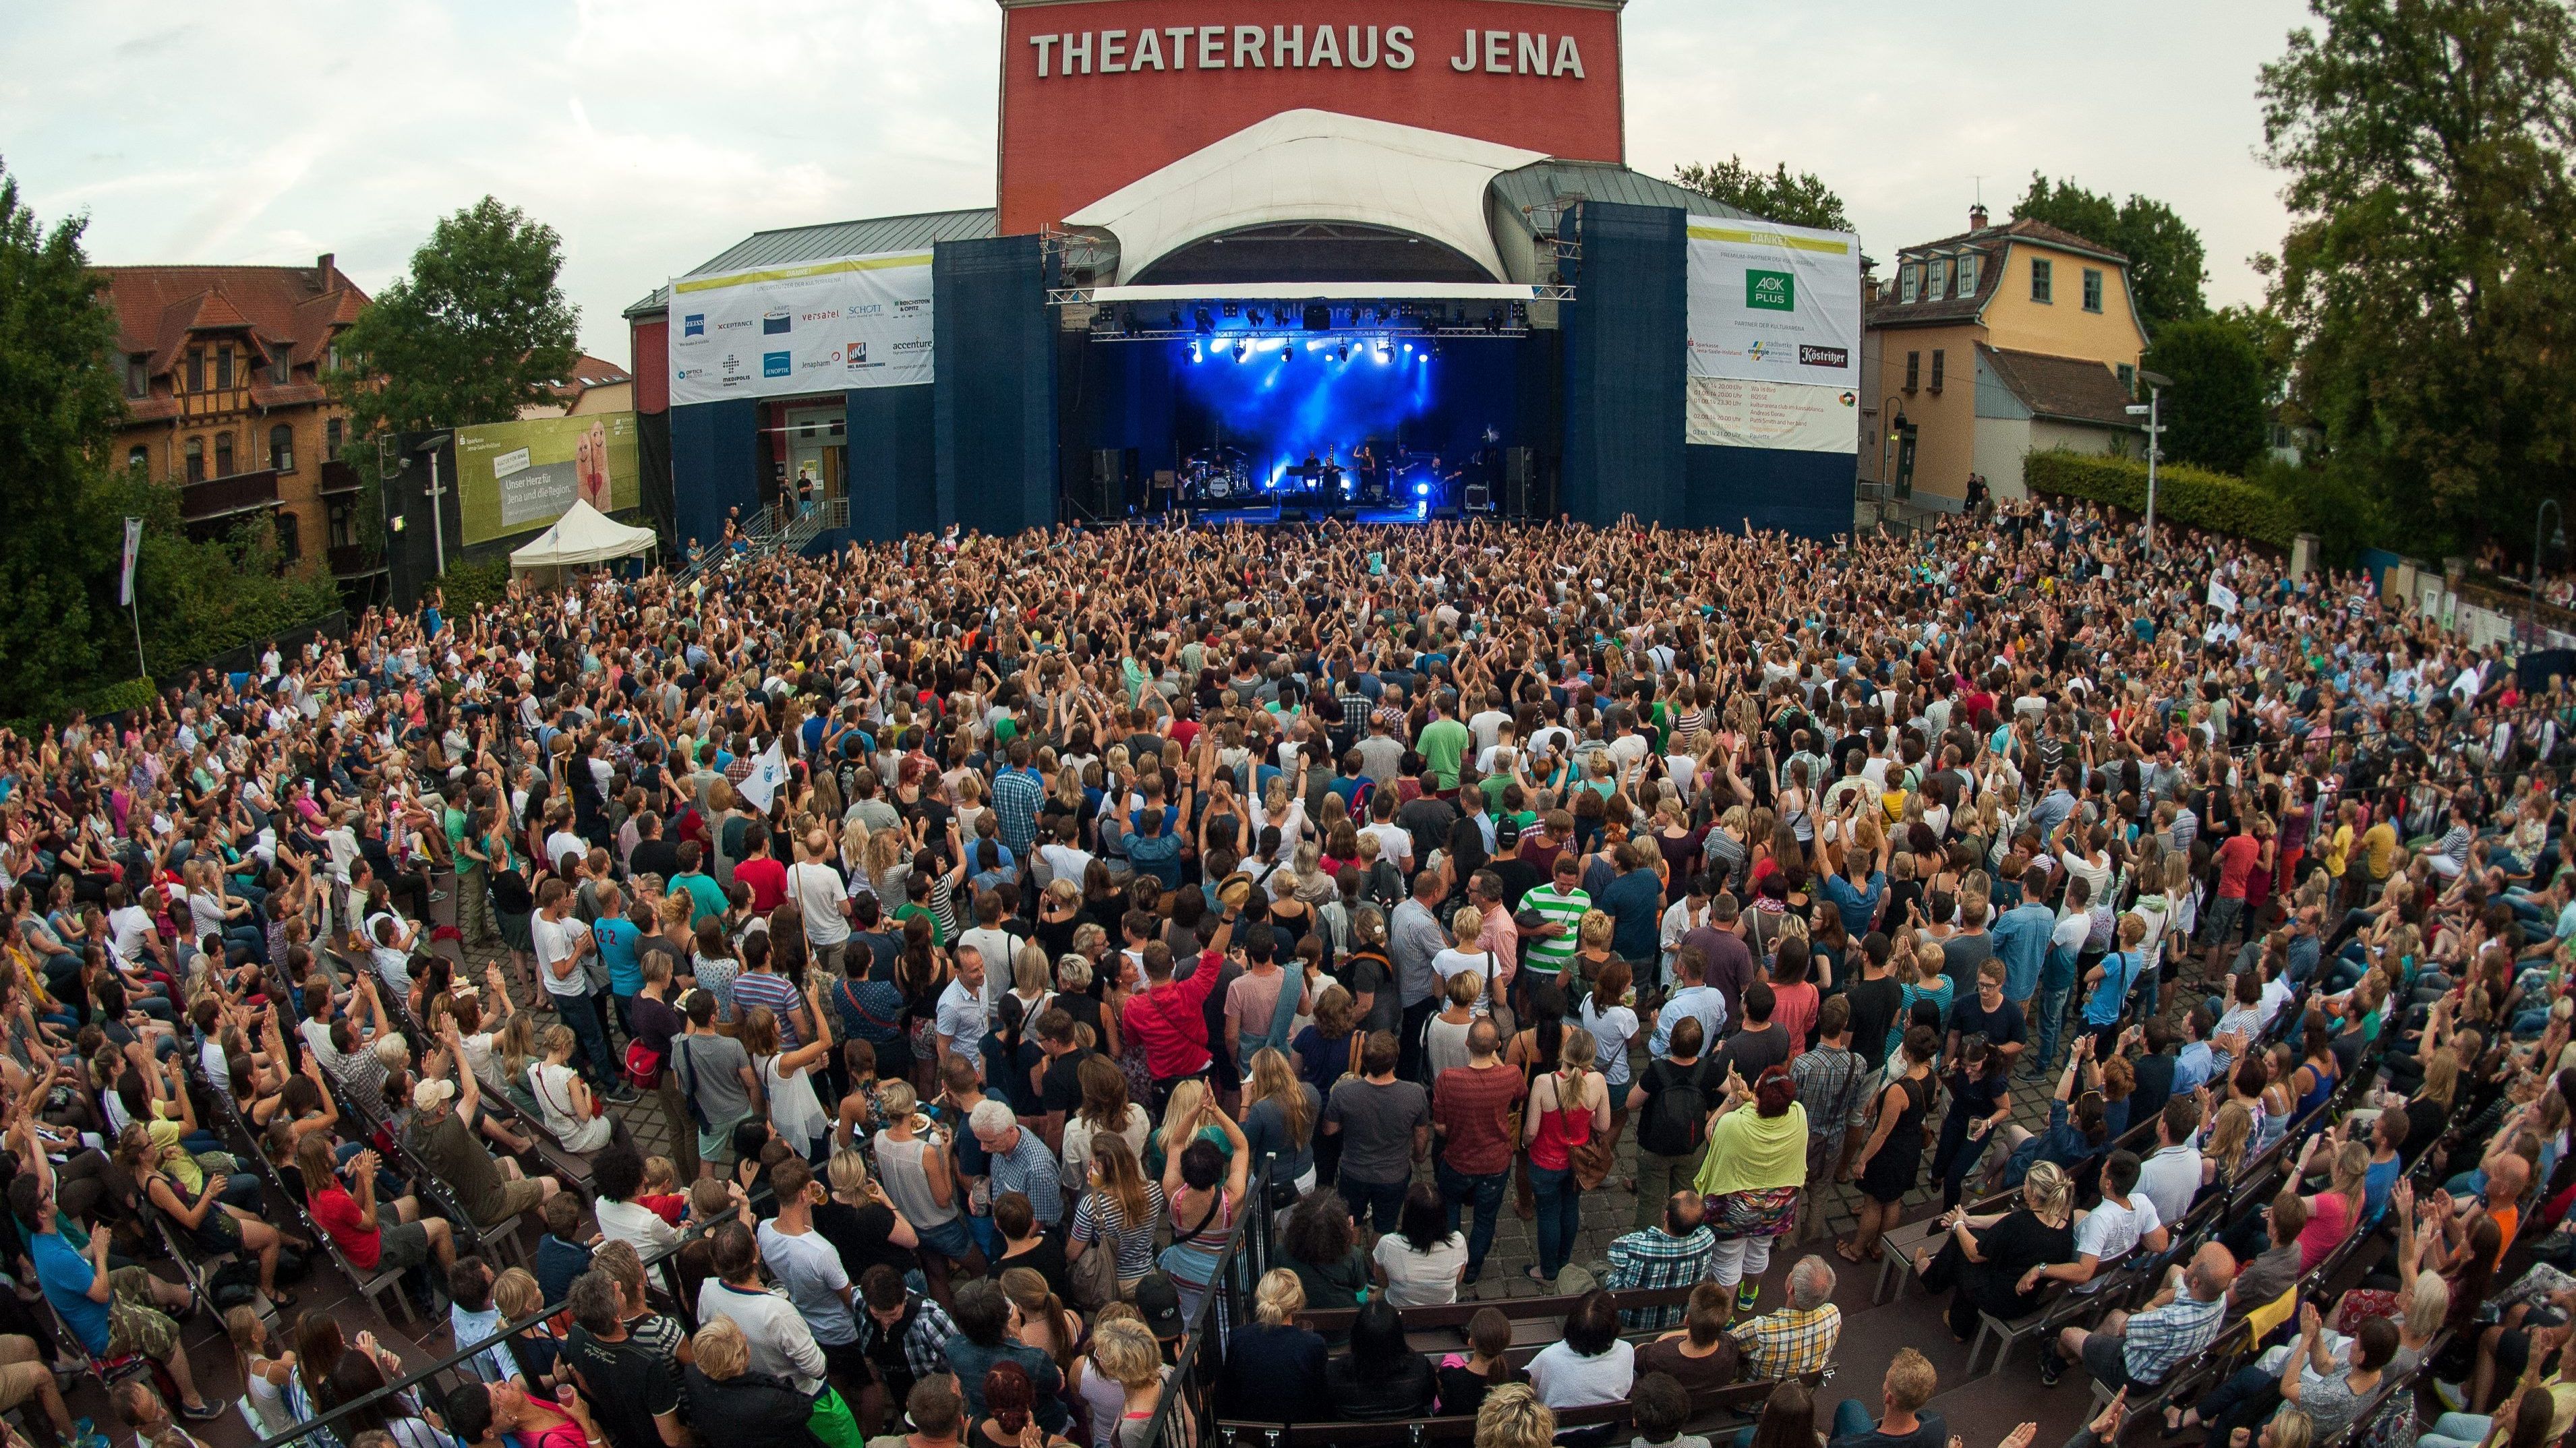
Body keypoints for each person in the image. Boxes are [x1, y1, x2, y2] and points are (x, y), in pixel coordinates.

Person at [11, 1172, 214, 1418]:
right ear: (41, 1212)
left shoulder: (45, 1235)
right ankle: (192, 1403)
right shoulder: (55, 1257)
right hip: (104, 1329)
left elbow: (79, 1260)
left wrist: (93, 1247)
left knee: (135, 1275)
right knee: (167, 1332)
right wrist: (100, 1253)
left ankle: (189, 1298)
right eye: (45, 1193)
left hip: (96, 1306)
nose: (49, 1188)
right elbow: (100, 1292)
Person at [1912, 1160, 2078, 1344]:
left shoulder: (2021, 1225)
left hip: (2006, 1300)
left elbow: (1975, 1255)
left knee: (1961, 1246)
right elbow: (2012, 1219)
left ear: (2035, 1193)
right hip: (2033, 1296)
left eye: (2027, 1183)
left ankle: (1937, 1288)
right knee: (1973, 1235)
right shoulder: (2064, 1212)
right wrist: (1970, 1221)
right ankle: (1953, 1311)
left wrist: (1958, 1224)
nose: (2024, 1186)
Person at [2045, 1242, 2235, 1390]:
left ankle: (2055, 1364)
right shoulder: (2218, 1297)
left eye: (2193, 1261)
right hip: (2162, 1359)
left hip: (2133, 1372)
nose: (2191, 1260)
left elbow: (2126, 1328)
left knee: (2068, 1334)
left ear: (2195, 1283)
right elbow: (2178, 1294)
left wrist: (2150, 1308)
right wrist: (2152, 1307)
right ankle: (2085, 1354)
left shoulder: (2170, 1320)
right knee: (2114, 1316)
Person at [1698, 1062, 1809, 1315]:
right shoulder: (1799, 1115)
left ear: (1758, 1100)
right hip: (1777, 1207)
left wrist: (1734, 1097)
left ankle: (1723, 1315)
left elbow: (1710, 1130)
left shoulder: (1732, 1125)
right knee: (1760, 1250)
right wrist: (1750, 1096)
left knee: (1727, 1261)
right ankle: (1748, 1295)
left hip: (1734, 1211)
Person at [1432, 1018, 1525, 1285]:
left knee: (1450, 1210)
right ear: (1497, 1046)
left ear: (1466, 1043)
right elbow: (1522, 1093)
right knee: (1486, 1218)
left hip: (1458, 1161)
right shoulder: (1511, 1075)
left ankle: (1451, 1263)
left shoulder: (1449, 1079)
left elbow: (1440, 1126)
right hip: (1496, 1165)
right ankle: (1472, 1270)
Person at [559, 1270, 686, 1448]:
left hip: (624, 1434)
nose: (618, 1284)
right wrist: (698, 1438)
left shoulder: (577, 1333)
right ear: (617, 1318)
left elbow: (583, 1384)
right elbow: (674, 1438)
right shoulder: (647, 1364)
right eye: (616, 1291)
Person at [1523, 1024, 1608, 1286]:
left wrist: (1525, 1145)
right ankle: (1563, 1262)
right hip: (1577, 1164)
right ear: (1590, 1059)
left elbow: (1530, 1131)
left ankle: (1548, 1272)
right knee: (1570, 1208)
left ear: (1564, 1052)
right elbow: (1604, 1126)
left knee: (1548, 1214)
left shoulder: (1543, 1082)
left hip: (1545, 1164)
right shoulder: (1597, 1082)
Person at [1323, 1029, 1430, 1232]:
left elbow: (1329, 1130)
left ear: (1364, 1060)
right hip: (1394, 1175)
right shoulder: (1415, 1093)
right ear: (1395, 1059)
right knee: (1384, 1229)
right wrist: (1418, 1156)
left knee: (1351, 1223)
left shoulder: (1344, 1092)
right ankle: (1377, 1263)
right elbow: (1421, 1134)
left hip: (1354, 1172)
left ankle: (1353, 1260)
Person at [1631, 1016, 1718, 1231]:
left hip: (1653, 1148)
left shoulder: (1657, 1070)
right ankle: (1679, 1244)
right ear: (1700, 1045)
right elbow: (1735, 1090)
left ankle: (1647, 1249)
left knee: (1649, 1203)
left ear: (1671, 1042)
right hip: (1691, 1146)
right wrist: (1712, 1114)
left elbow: (1631, 1102)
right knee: (1684, 1204)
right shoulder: (1708, 1070)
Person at [676, 1317, 815, 1445]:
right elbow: (805, 1407)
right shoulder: (768, 1400)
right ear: (742, 1358)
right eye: (745, 1343)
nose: (746, 1340)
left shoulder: (692, 1374)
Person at [1218, 1269, 1328, 1424]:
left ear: (1260, 1296)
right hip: (1298, 1433)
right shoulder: (1314, 1344)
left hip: (1251, 1432)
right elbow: (1320, 1397)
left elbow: (1227, 1395)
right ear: (1297, 1303)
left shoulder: (1238, 1338)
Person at [1606, 1192, 1717, 1331]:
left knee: (1597, 1268)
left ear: (1666, 1215)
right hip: (1675, 1317)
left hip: (1630, 1319)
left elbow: (1612, 1253)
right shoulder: (1707, 1240)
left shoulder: (1636, 1246)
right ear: (1700, 1222)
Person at [1730, 1255, 1844, 1381]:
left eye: (1793, 1272)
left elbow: (1727, 1344)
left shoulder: (1761, 1331)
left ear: (1791, 1289)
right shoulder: (1832, 1314)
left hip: (1753, 1393)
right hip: (1795, 1391)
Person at [1323, 1297, 1438, 1419]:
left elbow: (1328, 1406)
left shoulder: (1334, 1372)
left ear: (1356, 1336)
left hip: (1353, 1436)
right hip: (1406, 1436)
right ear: (1398, 1336)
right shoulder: (1421, 1366)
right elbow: (1428, 1398)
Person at [1527, 1290, 1634, 1412]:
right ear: (1614, 1326)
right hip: (1607, 1426)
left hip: (1558, 1427)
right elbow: (1625, 1388)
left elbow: (1528, 1382)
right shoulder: (1627, 1350)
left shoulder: (1549, 1356)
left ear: (1571, 1322)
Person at [1826, 1346, 1945, 1448]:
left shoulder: (1846, 1446)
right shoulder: (1936, 1425)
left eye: (1886, 1380)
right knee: (1851, 1407)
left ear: (1889, 1397)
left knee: (1849, 1407)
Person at [1373, 1180, 1469, 1306]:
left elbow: (1382, 1282)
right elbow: (1458, 1280)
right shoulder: (1458, 1242)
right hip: (1444, 1313)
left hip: (1400, 1313)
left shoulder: (1388, 1244)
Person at [1436, 1306, 1526, 1418]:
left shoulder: (1448, 1376)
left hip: (1458, 1434)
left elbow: (1442, 1399)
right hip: (1497, 1433)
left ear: (1471, 1342)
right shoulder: (1521, 1380)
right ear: (1506, 1344)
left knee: (1452, 1358)